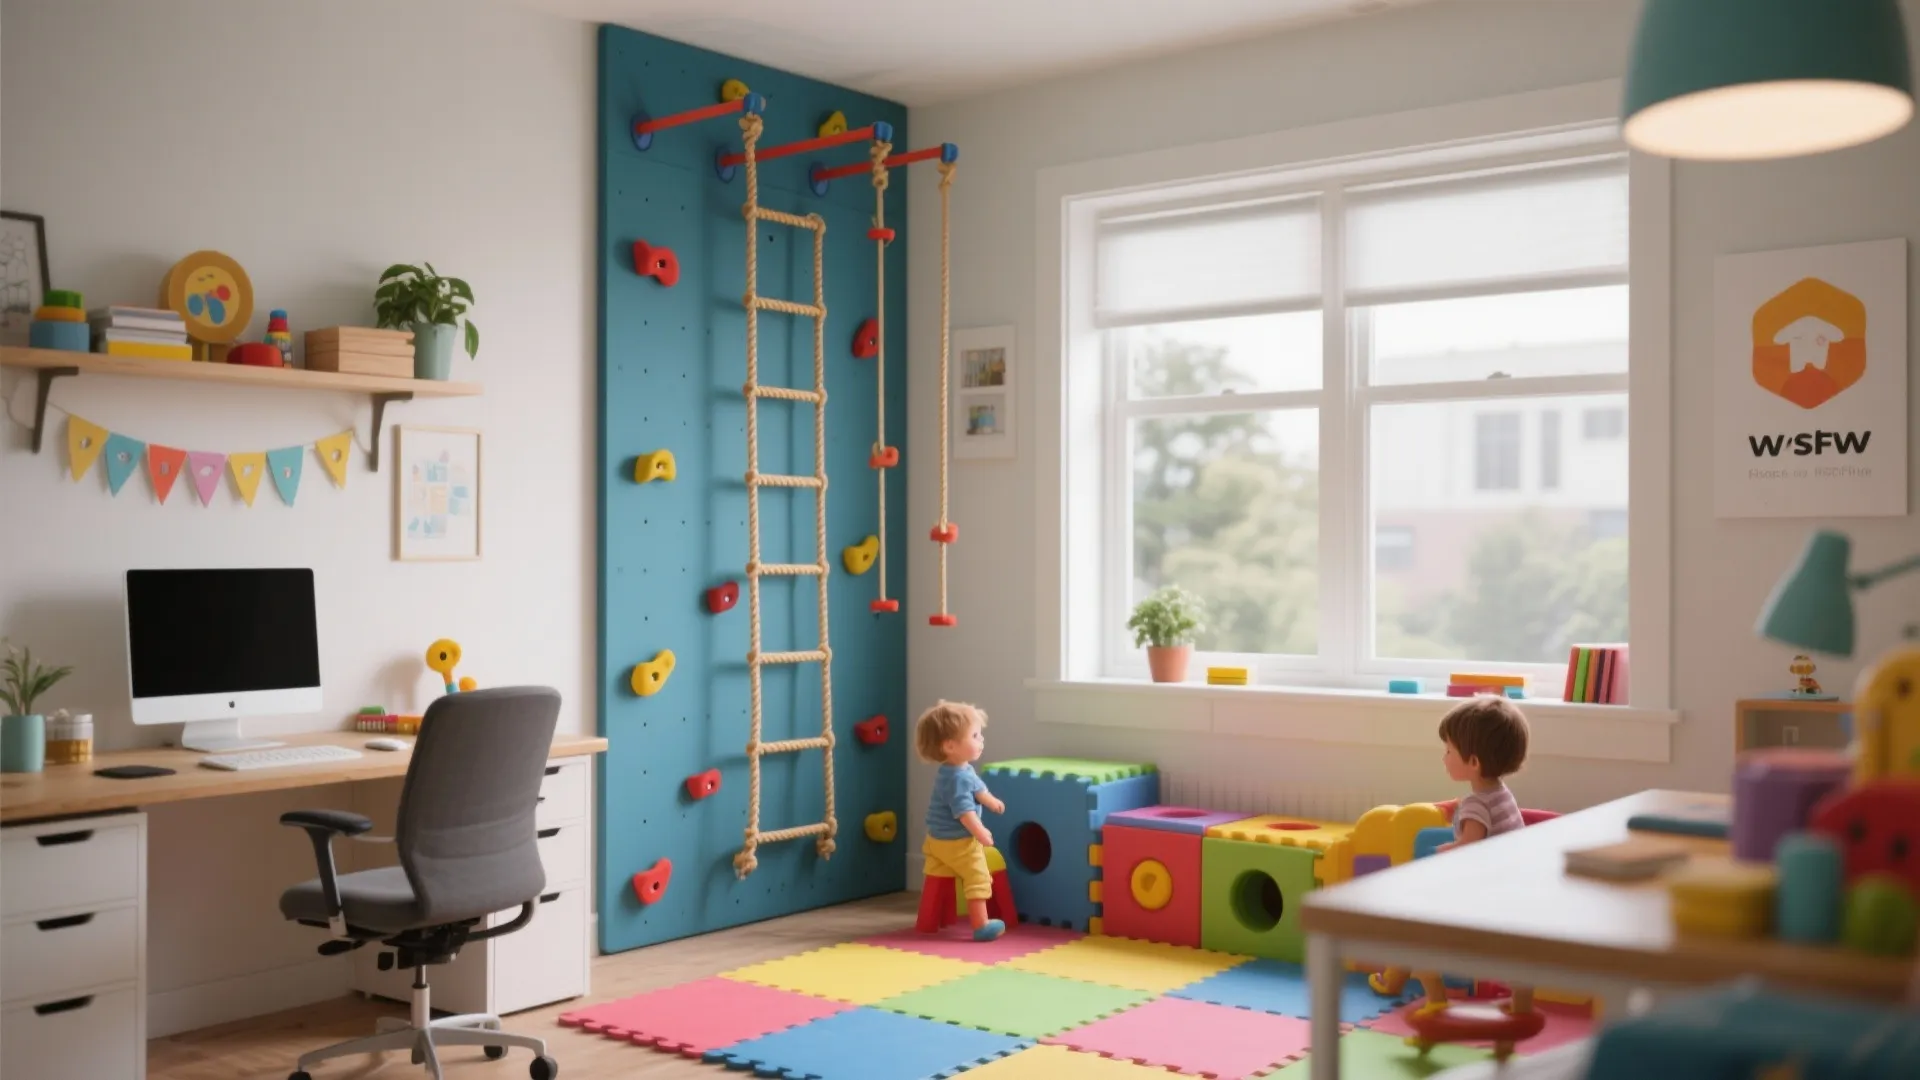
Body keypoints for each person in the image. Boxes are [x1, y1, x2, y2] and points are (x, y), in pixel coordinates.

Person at [1370, 695, 1532, 1008]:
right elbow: (1490, 828)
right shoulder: (1500, 794)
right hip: (1510, 890)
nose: (1443, 758)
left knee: (1414, 923)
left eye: (1448, 750)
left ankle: (1428, 995)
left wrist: (1449, 850)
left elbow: (1470, 849)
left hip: (1478, 897)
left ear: (1474, 763)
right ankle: (1521, 998)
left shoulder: (1475, 805)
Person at [916, 700, 1006, 941]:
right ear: (950, 746)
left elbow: (978, 790)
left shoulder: (959, 770)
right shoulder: (956, 778)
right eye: (975, 736)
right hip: (956, 842)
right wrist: (980, 832)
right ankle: (981, 925)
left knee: (939, 874)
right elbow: (964, 812)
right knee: (978, 875)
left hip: (935, 840)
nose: (981, 740)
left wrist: (991, 801)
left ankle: (928, 921)